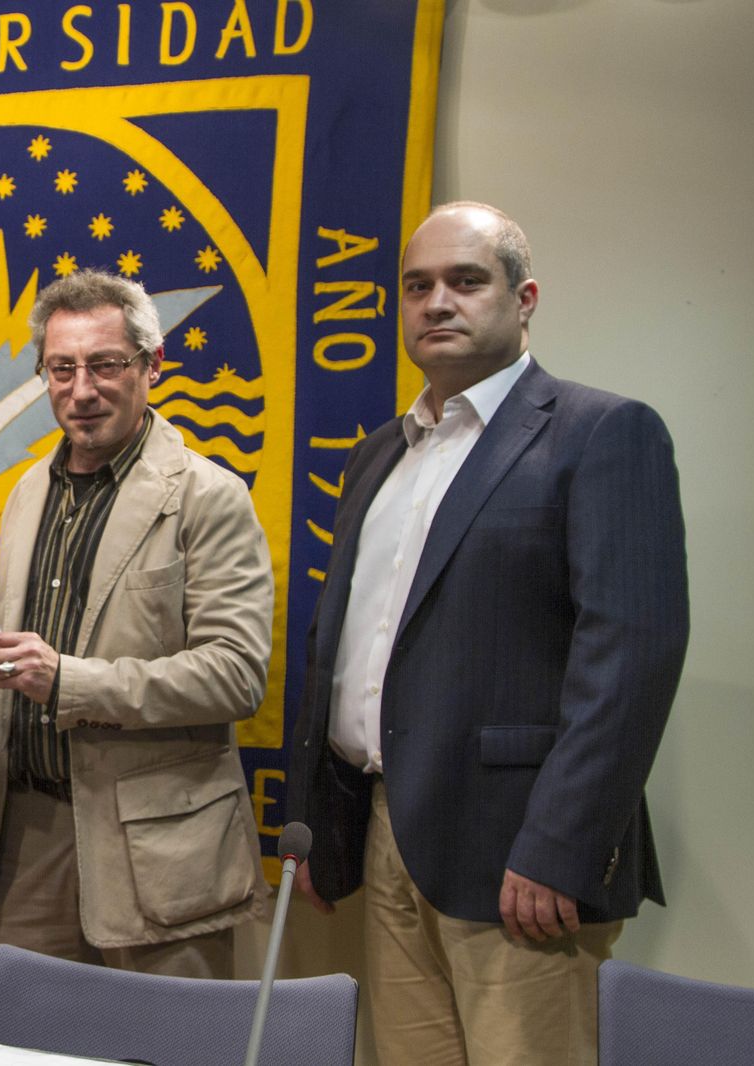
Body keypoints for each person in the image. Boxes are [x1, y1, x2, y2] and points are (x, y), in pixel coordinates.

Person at [285, 202, 689, 1065]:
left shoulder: (601, 434)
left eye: (467, 281)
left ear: (524, 297)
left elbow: (631, 658)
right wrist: (323, 822)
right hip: (389, 831)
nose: (438, 302)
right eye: (417, 286)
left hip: (520, 858)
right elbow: (347, 649)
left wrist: (560, 847)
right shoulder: (379, 456)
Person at [0, 269, 274, 979]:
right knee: (29, 1052)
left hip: (158, 845)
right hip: (28, 836)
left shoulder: (208, 496)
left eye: (105, 365)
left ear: (152, 366)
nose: (82, 389)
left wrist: (69, 680)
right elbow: (4, 693)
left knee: (165, 1048)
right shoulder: (25, 495)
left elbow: (235, 674)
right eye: (61, 368)